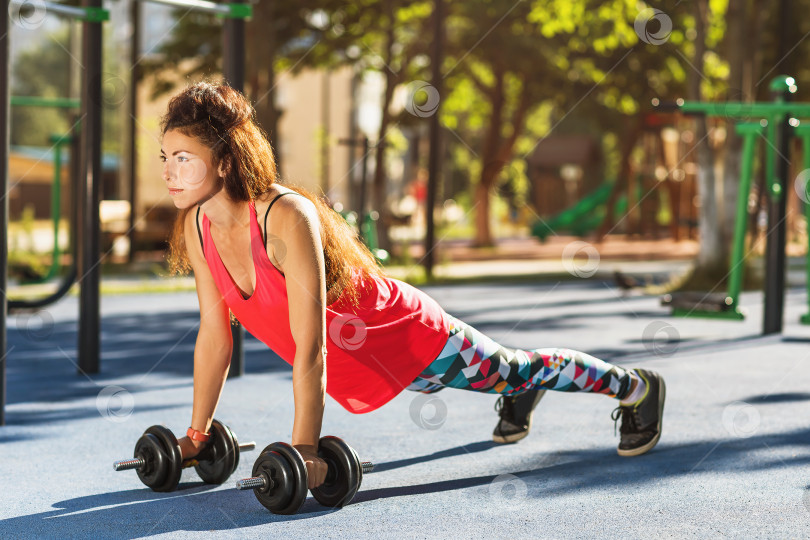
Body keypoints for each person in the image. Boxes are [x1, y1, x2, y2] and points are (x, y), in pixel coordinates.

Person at [161, 81, 666, 490]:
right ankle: (524, 393)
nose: (169, 172)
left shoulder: (284, 216)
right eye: (165, 158)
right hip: (364, 361)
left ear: (225, 160)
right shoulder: (197, 226)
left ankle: (636, 386)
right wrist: (196, 436)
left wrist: (307, 449)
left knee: (512, 369)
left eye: (183, 158)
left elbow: (310, 348)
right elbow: (214, 334)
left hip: (407, 335)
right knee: (489, 380)